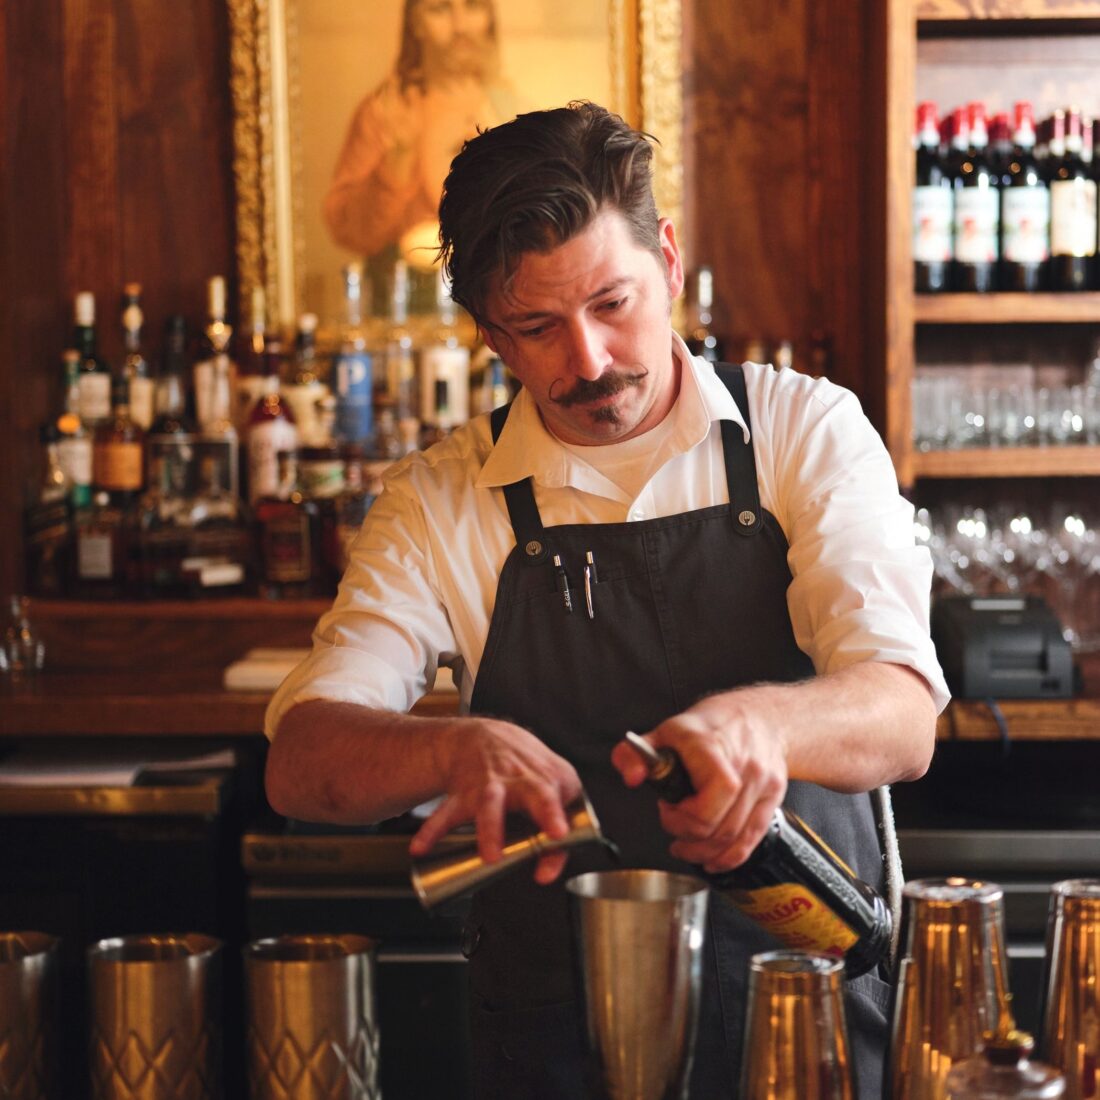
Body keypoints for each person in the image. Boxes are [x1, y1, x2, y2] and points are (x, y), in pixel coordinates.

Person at [267, 101, 950, 1098]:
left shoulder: (802, 430)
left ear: (667, 259)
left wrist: (760, 722)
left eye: (611, 303)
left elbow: (900, 713)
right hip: (555, 1044)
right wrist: (447, 745)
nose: (586, 361)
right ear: (489, 334)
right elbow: (299, 762)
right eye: (537, 327)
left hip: (799, 1028)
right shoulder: (439, 499)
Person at [323, 0, 521, 261]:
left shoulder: (510, 109)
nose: (460, 26)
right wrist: (398, 160)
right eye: (440, 9)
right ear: (415, 23)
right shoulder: (387, 111)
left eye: (473, 6)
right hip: (408, 292)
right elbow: (351, 231)